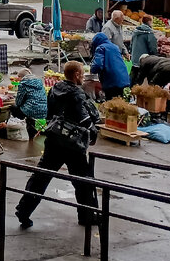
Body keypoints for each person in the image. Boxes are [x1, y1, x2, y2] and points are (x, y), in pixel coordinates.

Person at [15, 60, 100, 229]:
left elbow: (50, 113)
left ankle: (24, 210)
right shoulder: (76, 94)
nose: (83, 77)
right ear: (76, 74)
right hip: (73, 144)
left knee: (41, 176)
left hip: (54, 140)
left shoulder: (55, 88)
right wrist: (93, 130)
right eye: (82, 73)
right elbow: (83, 119)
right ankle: (87, 216)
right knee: (83, 180)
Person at [89, 32, 130, 100]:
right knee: (119, 101)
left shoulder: (101, 48)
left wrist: (92, 70)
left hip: (111, 80)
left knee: (111, 104)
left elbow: (98, 65)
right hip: (122, 78)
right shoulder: (115, 47)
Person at [11, 67, 48, 140]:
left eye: (18, 77)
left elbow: (18, 102)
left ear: (21, 77)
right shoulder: (39, 82)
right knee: (29, 107)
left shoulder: (23, 84)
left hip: (31, 111)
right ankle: (32, 128)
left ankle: (25, 128)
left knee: (13, 108)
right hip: (45, 110)